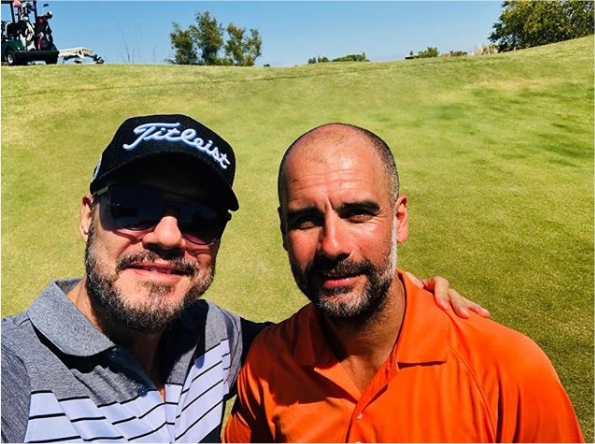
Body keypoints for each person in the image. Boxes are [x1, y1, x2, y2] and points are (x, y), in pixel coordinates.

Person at [1, 114, 487, 444]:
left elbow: (326, 332)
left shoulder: (217, 337)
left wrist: (413, 298)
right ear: (88, 215)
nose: (168, 236)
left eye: (200, 218)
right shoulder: (13, 371)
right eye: (134, 207)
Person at [223, 122, 584, 443]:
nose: (332, 245)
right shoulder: (266, 364)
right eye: (306, 220)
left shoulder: (510, 369)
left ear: (399, 220)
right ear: (283, 231)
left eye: (357, 214)